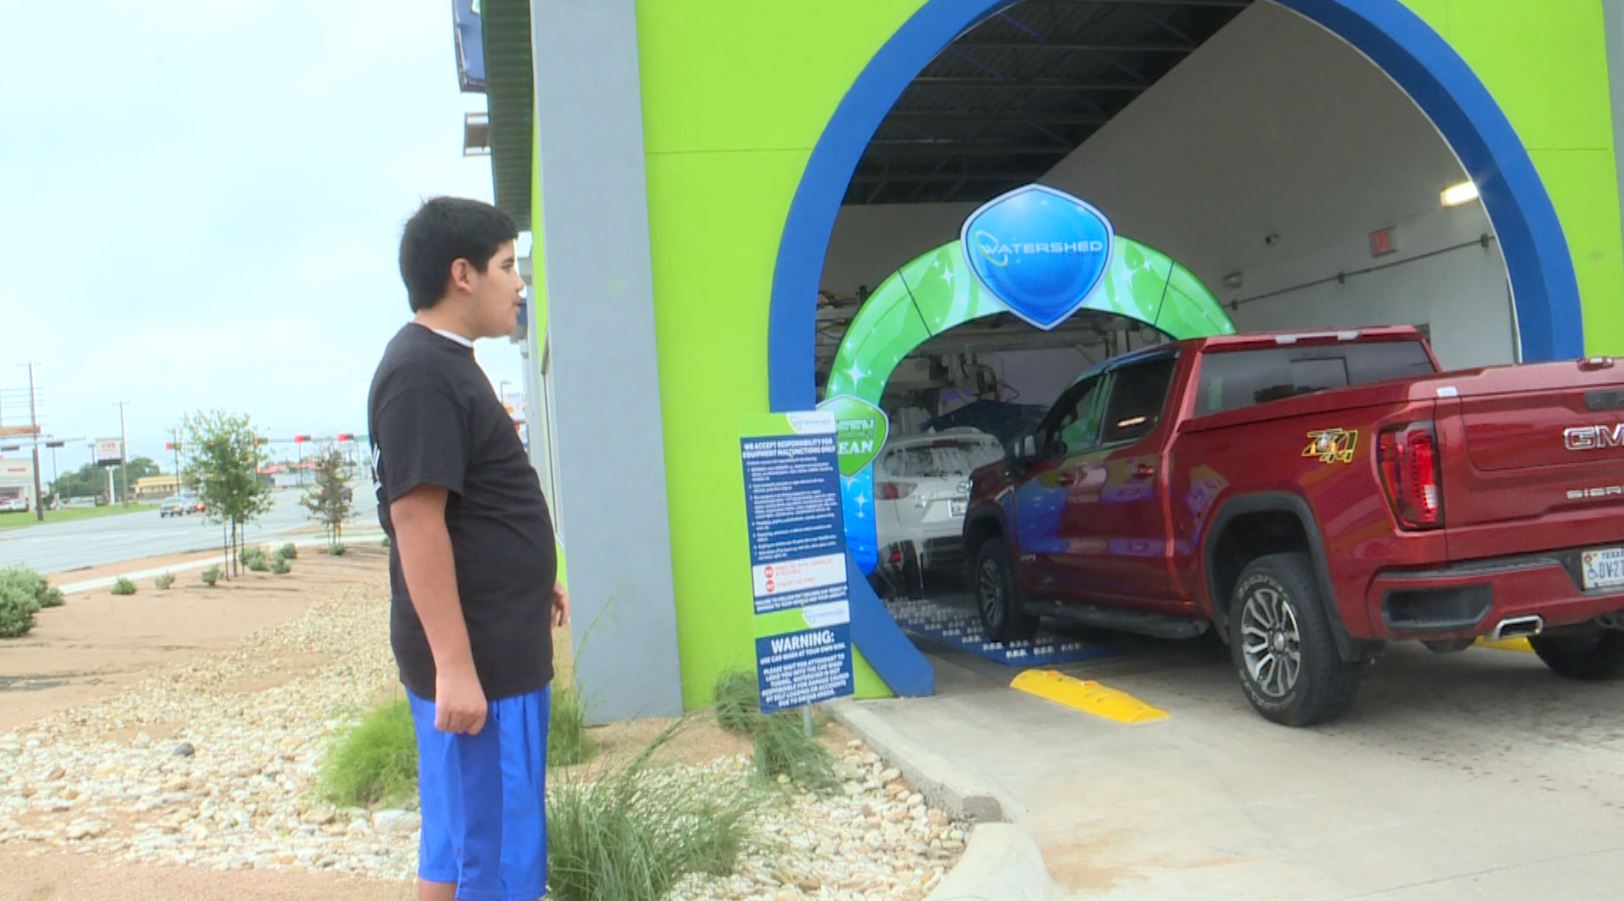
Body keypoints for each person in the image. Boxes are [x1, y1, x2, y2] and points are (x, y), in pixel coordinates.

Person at [368, 196, 568, 901]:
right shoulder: (423, 373)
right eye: (509, 266)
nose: (520, 284)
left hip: (490, 642)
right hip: (481, 669)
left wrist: (530, 580)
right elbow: (416, 521)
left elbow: (469, 509)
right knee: (500, 859)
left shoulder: (447, 362)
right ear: (463, 274)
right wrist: (455, 666)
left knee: (458, 846)